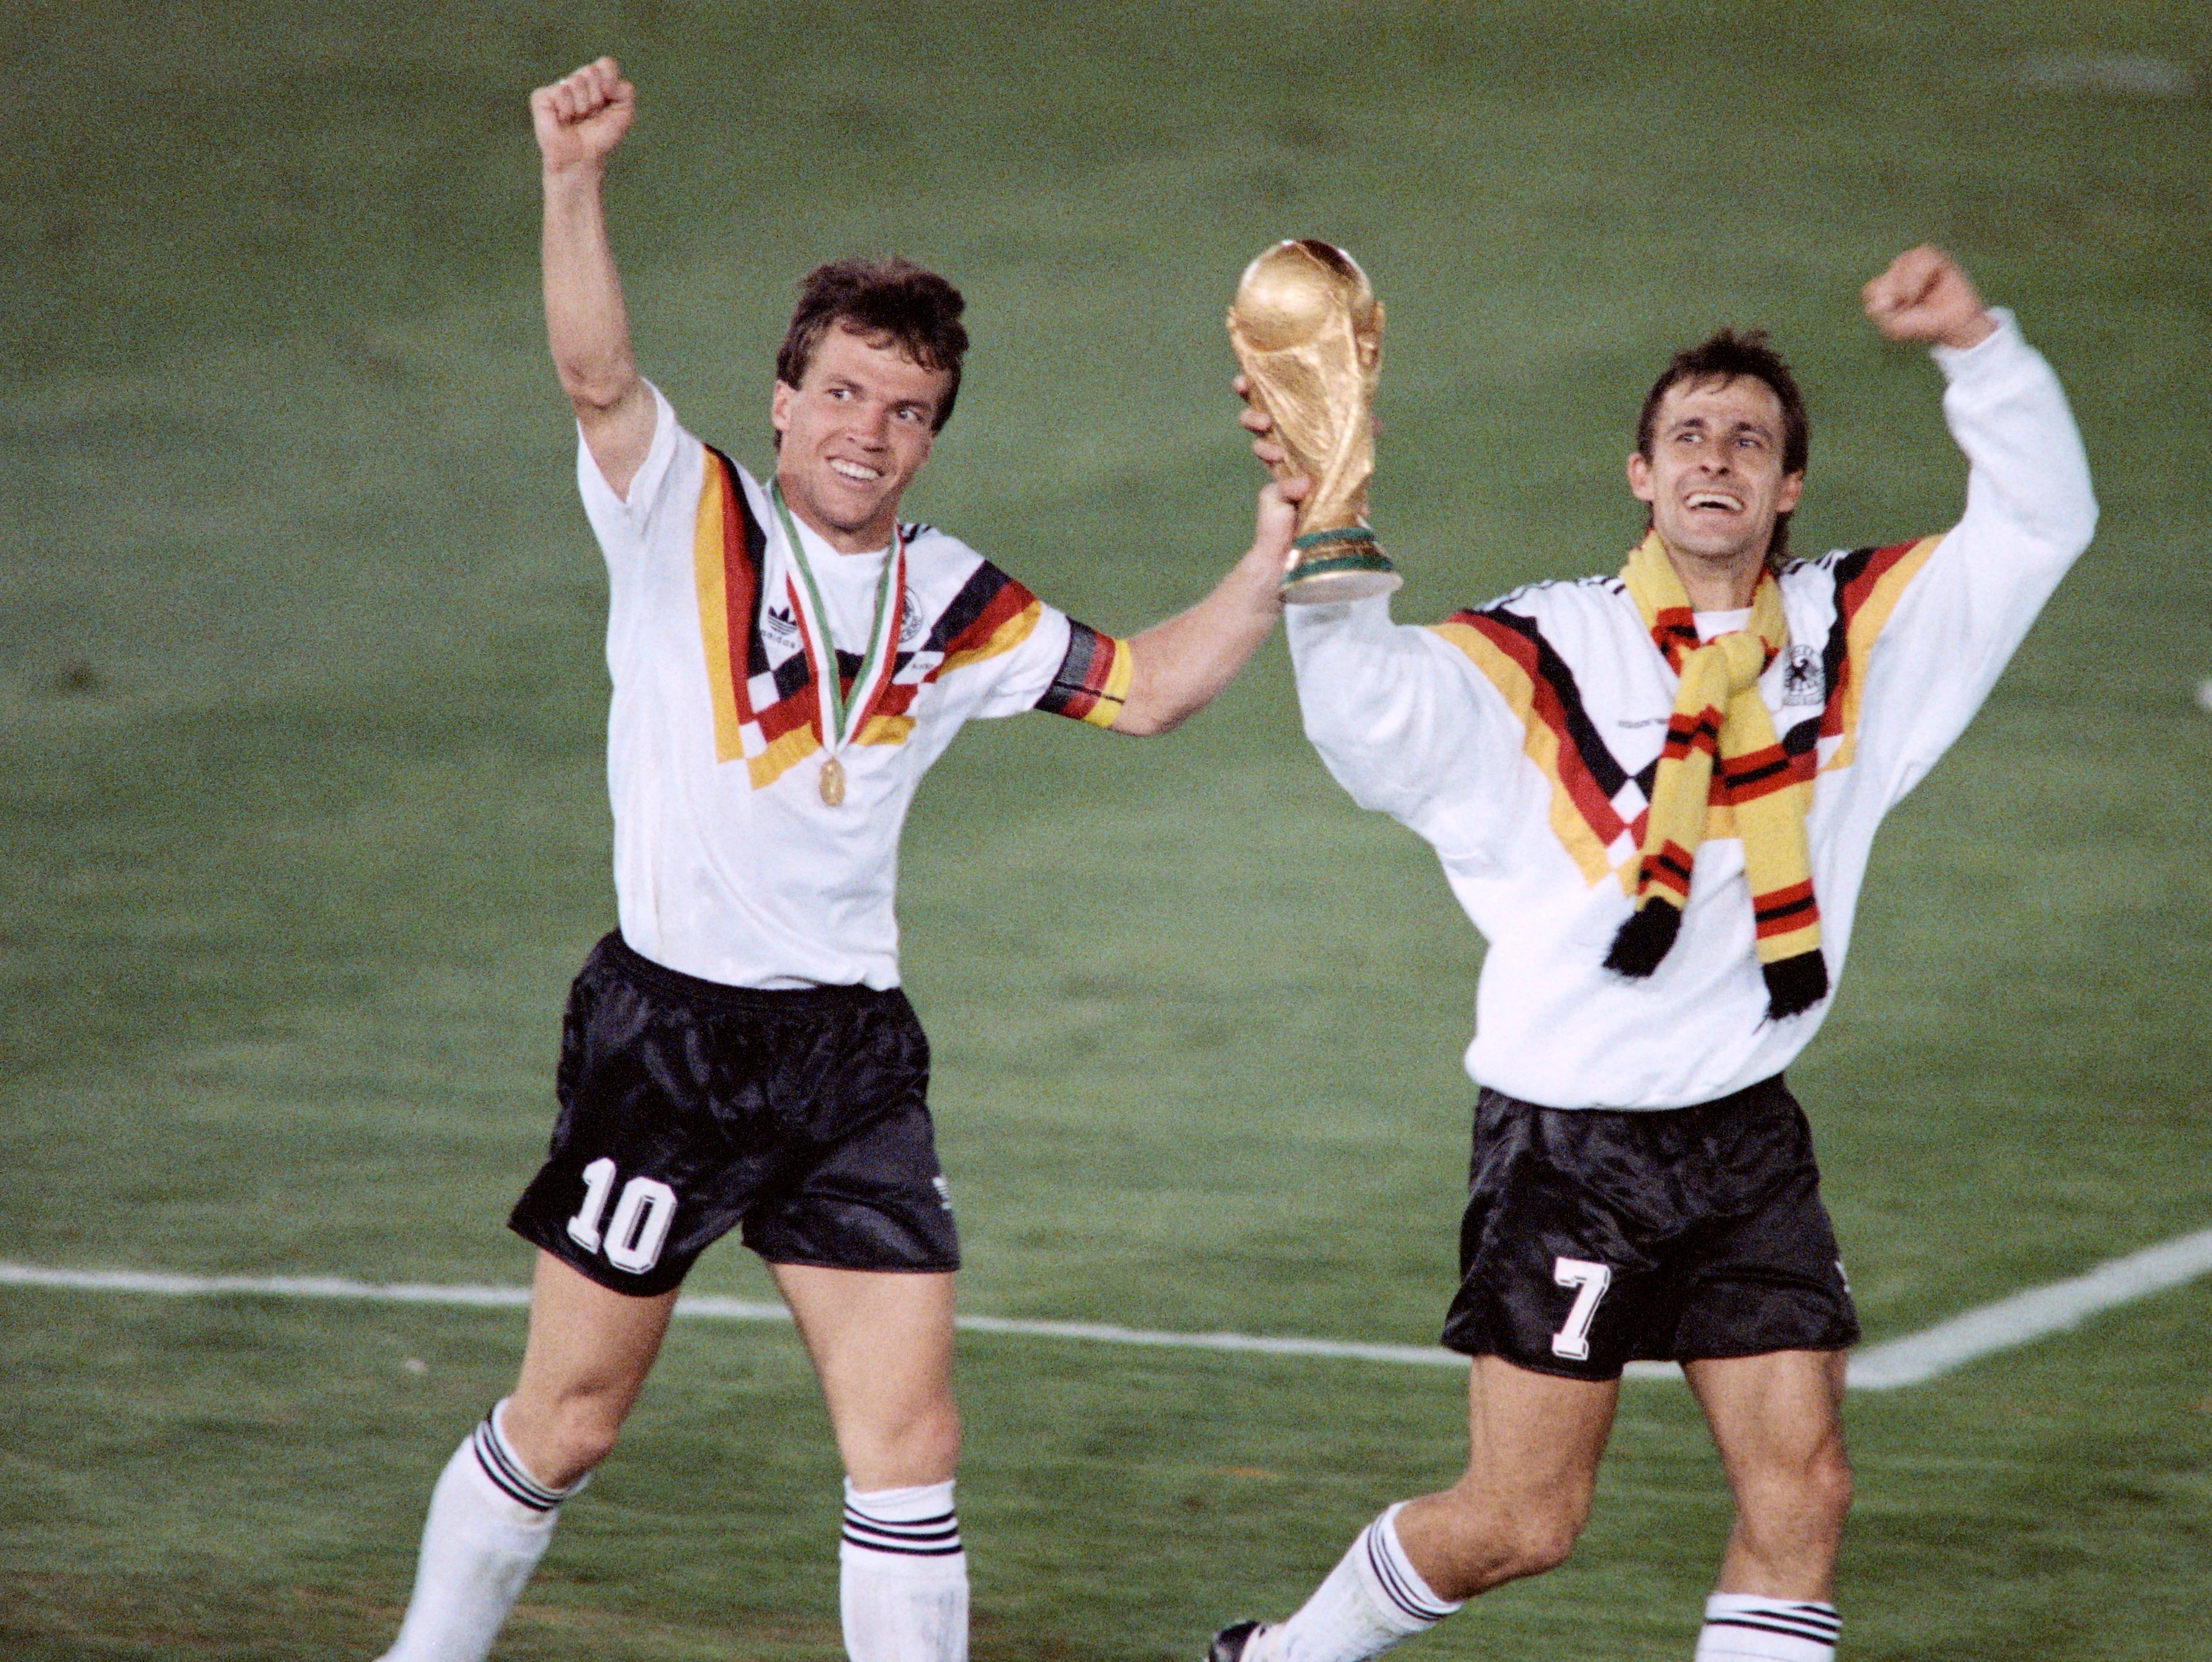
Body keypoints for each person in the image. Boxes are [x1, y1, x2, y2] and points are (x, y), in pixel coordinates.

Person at [374, 56, 1299, 1662]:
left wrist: (1282, 537)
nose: (872, 432)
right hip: (665, 1038)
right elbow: (599, 380)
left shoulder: (959, 600)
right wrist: (570, 178)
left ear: (934, 434)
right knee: (570, 1421)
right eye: (848, 395)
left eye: (909, 410)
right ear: (787, 396)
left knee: (910, 1446)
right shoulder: (687, 508)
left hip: (848, 1061)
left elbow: (1148, 692)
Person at [1212, 246, 2095, 1662]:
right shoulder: (1546, 651)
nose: (1717, 459)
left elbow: (2040, 524)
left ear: (1789, 487)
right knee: (1522, 1523)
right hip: (1573, 1149)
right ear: (1639, 474)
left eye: (1751, 440)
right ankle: (1277, 1660)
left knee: (1804, 1490)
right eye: (1688, 434)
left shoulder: (1860, 636)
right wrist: (1330, 541)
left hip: (1746, 1138)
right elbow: (1373, 730)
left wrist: (1979, 349)